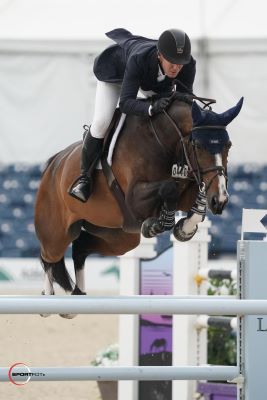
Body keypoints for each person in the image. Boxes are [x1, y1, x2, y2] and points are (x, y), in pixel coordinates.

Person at [69, 28, 196, 202]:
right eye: (172, 62)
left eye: (180, 63)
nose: (176, 68)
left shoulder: (187, 64)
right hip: (115, 74)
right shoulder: (140, 58)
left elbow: (184, 104)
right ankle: (84, 178)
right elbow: (126, 103)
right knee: (101, 123)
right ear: (160, 55)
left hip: (147, 78)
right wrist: (150, 108)